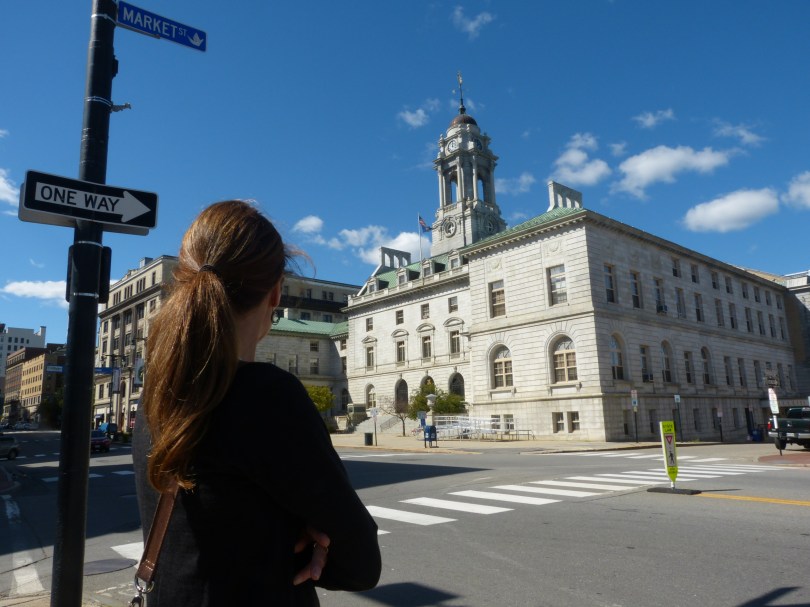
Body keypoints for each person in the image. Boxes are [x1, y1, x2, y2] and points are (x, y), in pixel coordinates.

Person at [132, 200, 381, 606]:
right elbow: (360, 561)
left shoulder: (154, 403)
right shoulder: (266, 396)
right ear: (275, 294)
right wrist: (303, 538)